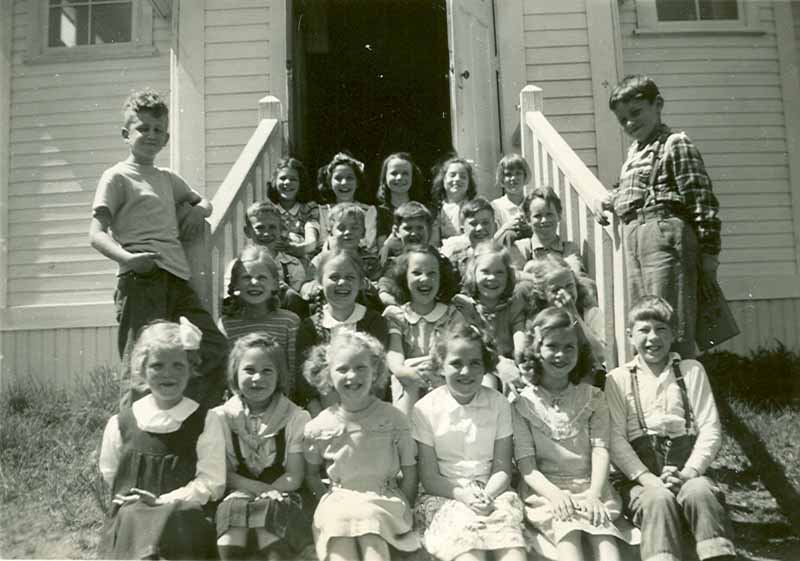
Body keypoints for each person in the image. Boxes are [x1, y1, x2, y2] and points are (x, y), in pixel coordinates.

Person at [89, 89, 227, 406]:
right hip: (141, 279)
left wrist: (197, 211)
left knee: (215, 348)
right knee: (141, 362)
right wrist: (129, 259)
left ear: (166, 139)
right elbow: (96, 234)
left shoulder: (167, 178)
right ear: (126, 134)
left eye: (158, 130)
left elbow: (205, 203)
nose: (151, 135)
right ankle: (131, 430)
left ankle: (186, 415)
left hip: (177, 279)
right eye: (143, 128)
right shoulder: (116, 177)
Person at [605, 296, 736, 561]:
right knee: (658, 499)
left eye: (661, 329)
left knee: (701, 492)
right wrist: (647, 478)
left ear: (673, 334)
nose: (653, 337)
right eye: (644, 330)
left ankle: (718, 556)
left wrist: (689, 473)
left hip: (687, 471)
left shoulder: (691, 371)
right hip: (640, 479)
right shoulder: (618, 379)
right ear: (630, 336)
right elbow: (615, 439)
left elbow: (710, 429)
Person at [600, 74, 721, 358]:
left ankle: (679, 378)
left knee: (669, 318)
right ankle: (652, 380)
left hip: (665, 238)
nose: (630, 123)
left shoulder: (675, 144)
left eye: (636, 113)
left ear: (658, 105)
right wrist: (609, 200)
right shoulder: (634, 153)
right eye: (622, 120)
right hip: (635, 238)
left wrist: (709, 255)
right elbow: (630, 192)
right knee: (643, 316)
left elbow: (702, 201)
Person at [512, 308, 636, 561]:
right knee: (568, 536)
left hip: (591, 486)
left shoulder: (593, 398)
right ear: (536, 349)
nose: (561, 355)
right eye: (552, 346)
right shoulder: (522, 405)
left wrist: (594, 494)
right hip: (548, 492)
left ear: (580, 351)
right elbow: (527, 467)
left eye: (569, 347)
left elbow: (601, 449)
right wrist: (556, 495)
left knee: (605, 539)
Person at [98, 319, 225, 560]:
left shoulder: (205, 421)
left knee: (178, 519)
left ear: (191, 368)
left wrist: (163, 501)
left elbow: (212, 482)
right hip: (133, 518)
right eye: (157, 365)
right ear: (142, 370)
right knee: (132, 514)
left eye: (178, 365)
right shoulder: (122, 423)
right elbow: (111, 472)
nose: (168, 374)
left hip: (183, 514)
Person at [411, 322, 527, 561]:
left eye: (475, 363)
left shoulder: (498, 404)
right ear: (440, 366)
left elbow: (502, 468)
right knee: (468, 552)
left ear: (485, 366)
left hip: (492, 492)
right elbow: (429, 477)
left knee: (512, 550)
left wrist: (487, 496)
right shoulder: (425, 409)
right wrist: (464, 496)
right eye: (456, 363)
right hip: (446, 495)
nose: (466, 371)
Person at [303, 331, 421, 561]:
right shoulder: (320, 425)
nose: (352, 375)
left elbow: (409, 471)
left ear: (375, 371)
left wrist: (405, 505)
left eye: (360, 367)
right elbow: (312, 474)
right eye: (342, 369)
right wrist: (326, 499)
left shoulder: (393, 418)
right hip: (339, 501)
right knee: (338, 537)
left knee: (371, 533)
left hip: (383, 501)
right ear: (328, 375)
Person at [213, 333, 312, 560]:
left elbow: (294, 476)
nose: (257, 378)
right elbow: (224, 473)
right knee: (232, 514)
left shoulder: (295, 417)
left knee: (268, 514)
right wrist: (256, 490)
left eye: (267, 371)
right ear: (235, 374)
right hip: (239, 490)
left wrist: (266, 493)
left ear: (279, 376)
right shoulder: (221, 417)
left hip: (281, 490)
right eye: (249, 370)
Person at [296, 249, 389, 414]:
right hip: (324, 411)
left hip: (369, 409)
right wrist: (321, 415)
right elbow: (304, 381)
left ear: (361, 283)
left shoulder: (374, 322)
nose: (342, 282)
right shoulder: (309, 327)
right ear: (319, 282)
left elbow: (379, 374)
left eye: (350, 277)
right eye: (334, 277)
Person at [383, 245, 463, 414]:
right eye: (417, 273)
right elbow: (395, 351)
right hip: (409, 384)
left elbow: (458, 350)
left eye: (432, 273)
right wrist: (402, 370)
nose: (425, 279)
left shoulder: (451, 315)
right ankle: (404, 426)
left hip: (442, 381)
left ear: (441, 277)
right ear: (404, 276)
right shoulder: (397, 316)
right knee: (404, 373)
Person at [219, 246, 301, 398]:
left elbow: (292, 375)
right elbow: (226, 375)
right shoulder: (227, 325)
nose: (254, 282)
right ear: (235, 284)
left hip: (280, 403)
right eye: (246, 277)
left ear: (275, 283)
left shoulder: (289, 322)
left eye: (262, 277)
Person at [453, 240, 527, 389]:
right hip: (477, 363)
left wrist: (520, 355)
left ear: (508, 275)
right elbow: (471, 345)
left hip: (510, 364)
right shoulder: (465, 306)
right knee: (488, 381)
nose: (492, 278)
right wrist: (499, 363)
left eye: (499, 272)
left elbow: (519, 333)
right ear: (473, 273)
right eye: (485, 271)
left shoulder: (513, 305)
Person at [526, 255, 607, 385]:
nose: (565, 293)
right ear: (542, 294)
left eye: (569, 286)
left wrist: (574, 314)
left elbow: (600, 355)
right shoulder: (536, 320)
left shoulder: (591, 314)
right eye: (556, 290)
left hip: (585, 380)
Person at [376, 201, 460, 307]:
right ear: (397, 231)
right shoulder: (394, 264)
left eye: (420, 228)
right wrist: (404, 309)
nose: (414, 233)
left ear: (429, 229)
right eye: (408, 228)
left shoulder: (442, 262)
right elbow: (384, 293)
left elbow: (453, 293)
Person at [317, 152, 385, 252]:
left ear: (357, 182)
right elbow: (322, 242)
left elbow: (367, 243)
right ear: (329, 183)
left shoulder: (368, 211)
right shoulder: (321, 211)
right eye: (338, 178)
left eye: (349, 178)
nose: (344, 183)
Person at [510, 186, 581, 274]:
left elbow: (575, 275)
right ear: (528, 219)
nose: (544, 220)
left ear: (559, 215)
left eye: (549, 214)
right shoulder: (521, 248)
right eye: (537, 216)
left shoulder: (569, 249)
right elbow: (516, 278)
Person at [243, 201, 308, 294]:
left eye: (272, 227)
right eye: (260, 228)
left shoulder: (292, 265)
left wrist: (287, 291)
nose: (266, 233)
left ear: (280, 230)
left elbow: (299, 299)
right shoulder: (240, 265)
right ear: (247, 231)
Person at [266, 157, 320, 260]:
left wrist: (297, 248)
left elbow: (311, 242)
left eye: (293, 179)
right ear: (274, 181)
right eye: (283, 178)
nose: (287, 182)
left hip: (302, 258)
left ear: (301, 183)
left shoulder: (308, 208)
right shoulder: (268, 210)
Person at [440, 197, 498, 278]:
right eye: (473, 223)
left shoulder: (502, 255)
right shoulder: (453, 257)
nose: (480, 228)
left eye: (485, 223)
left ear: (495, 226)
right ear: (462, 228)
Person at [431, 157, 478, 242]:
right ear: (443, 179)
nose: (457, 179)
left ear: (469, 183)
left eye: (463, 177)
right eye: (452, 175)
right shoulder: (436, 209)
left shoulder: (475, 208)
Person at [491, 154, 533, 245]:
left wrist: (530, 228)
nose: (513, 178)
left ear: (525, 176)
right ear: (502, 178)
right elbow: (492, 241)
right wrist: (507, 227)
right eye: (508, 174)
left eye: (518, 173)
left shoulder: (532, 203)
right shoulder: (496, 206)